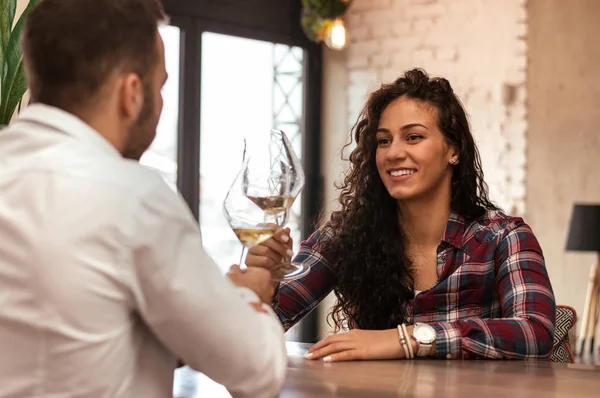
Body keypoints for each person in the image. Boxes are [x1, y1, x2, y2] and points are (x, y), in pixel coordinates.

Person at [0, 1, 286, 397]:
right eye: (161, 85)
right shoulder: (132, 197)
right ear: (132, 93)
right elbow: (257, 371)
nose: (162, 101)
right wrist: (248, 295)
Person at [247, 68, 556, 361]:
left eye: (413, 137)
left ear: (454, 150)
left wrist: (407, 339)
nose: (393, 153)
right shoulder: (345, 235)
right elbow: (258, 330)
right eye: (384, 141)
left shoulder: (503, 237)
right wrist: (263, 282)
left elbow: (535, 332)